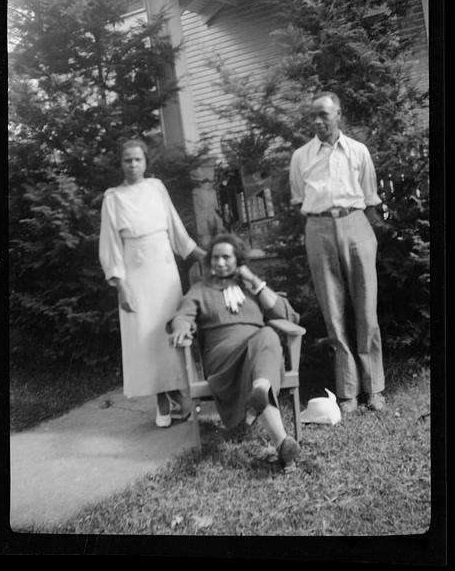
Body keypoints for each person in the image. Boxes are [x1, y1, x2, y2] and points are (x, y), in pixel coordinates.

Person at [289, 91, 386, 415]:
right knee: (334, 314)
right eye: (313, 116)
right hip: (318, 229)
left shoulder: (358, 152)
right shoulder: (301, 157)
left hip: (355, 224)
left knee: (366, 310)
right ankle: (347, 392)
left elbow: (370, 196)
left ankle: (374, 388)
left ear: (338, 115)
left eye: (324, 115)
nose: (318, 121)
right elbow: (298, 200)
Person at [169, 233, 300, 471]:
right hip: (224, 358)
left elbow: (286, 315)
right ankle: (261, 394)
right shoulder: (200, 289)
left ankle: (280, 439)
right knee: (266, 343)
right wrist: (181, 327)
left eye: (226, 257)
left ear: (238, 260)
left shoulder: (251, 288)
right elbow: (183, 315)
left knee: (267, 336)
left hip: (258, 354)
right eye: (215, 258)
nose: (220, 263)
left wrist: (253, 281)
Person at [99, 138, 206, 428]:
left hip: (165, 270)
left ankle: (182, 396)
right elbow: (110, 246)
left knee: (172, 330)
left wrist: (198, 254)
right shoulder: (113, 198)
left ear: (146, 162)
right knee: (145, 337)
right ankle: (161, 401)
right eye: (127, 160)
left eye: (138, 160)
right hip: (135, 273)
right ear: (120, 164)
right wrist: (121, 286)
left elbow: (175, 227)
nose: (133, 165)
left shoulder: (156, 188)